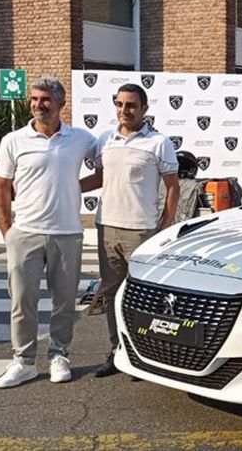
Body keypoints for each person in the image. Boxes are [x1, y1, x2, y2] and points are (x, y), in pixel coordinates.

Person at [0, 77, 96, 388]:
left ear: (61, 103)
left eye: (46, 99)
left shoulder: (80, 138)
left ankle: (58, 355)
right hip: (25, 232)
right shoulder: (13, 140)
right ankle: (23, 361)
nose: (39, 105)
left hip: (67, 233)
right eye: (35, 99)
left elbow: (107, 167)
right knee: (22, 301)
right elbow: (2, 186)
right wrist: (8, 230)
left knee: (65, 302)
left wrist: (74, 186)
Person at [81, 83, 179, 377]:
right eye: (120, 104)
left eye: (132, 105)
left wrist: (165, 225)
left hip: (141, 232)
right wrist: (65, 187)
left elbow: (173, 187)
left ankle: (144, 356)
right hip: (106, 228)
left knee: (142, 297)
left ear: (144, 109)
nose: (124, 110)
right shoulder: (105, 139)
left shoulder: (159, 142)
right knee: (112, 295)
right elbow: (99, 178)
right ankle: (117, 352)